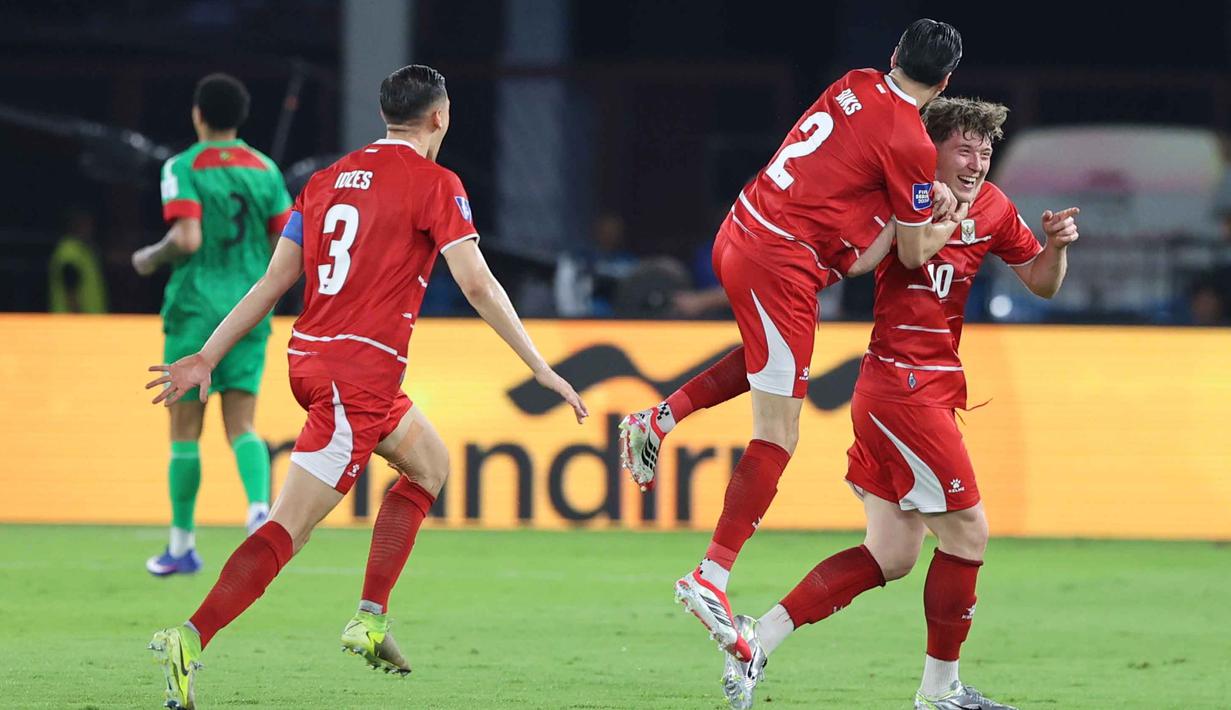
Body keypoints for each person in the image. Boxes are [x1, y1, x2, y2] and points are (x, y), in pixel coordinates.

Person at [143, 64, 587, 710]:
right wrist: (539, 366)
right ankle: (190, 637)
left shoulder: (325, 181)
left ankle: (371, 618)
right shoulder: (436, 183)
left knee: (430, 465)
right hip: (357, 376)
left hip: (316, 360)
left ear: (385, 115)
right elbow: (476, 283)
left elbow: (273, 283)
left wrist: (208, 355)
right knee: (289, 529)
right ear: (439, 116)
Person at [715, 98, 1080, 709]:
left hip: (919, 389)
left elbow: (1042, 281)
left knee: (892, 553)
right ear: (929, 152)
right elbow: (861, 258)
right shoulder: (899, 204)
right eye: (963, 150)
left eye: (985, 152)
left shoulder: (992, 206)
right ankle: (941, 691)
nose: (976, 163)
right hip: (903, 391)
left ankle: (759, 638)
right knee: (969, 533)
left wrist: (1056, 245)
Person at [618, 18, 964, 663]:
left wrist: (905, 207)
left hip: (742, 227)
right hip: (780, 260)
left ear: (894, 54)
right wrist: (949, 216)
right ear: (945, 82)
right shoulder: (911, 142)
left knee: (766, 360)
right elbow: (914, 252)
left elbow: (856, 210)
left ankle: (658, 419)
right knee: (779, 433)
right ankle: (711, 574)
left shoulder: (856, 82)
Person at [132, 73, 293, 576]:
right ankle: (260, 510)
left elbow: (187, 238)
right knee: (242, 425)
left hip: (196, 309)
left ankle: (182, 545)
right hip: (248, 310)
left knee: (185, 432)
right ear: (240, 118)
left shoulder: (182, 166)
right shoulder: (265, 170)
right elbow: (284, 243)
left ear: (198, 115)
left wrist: (150, 256)